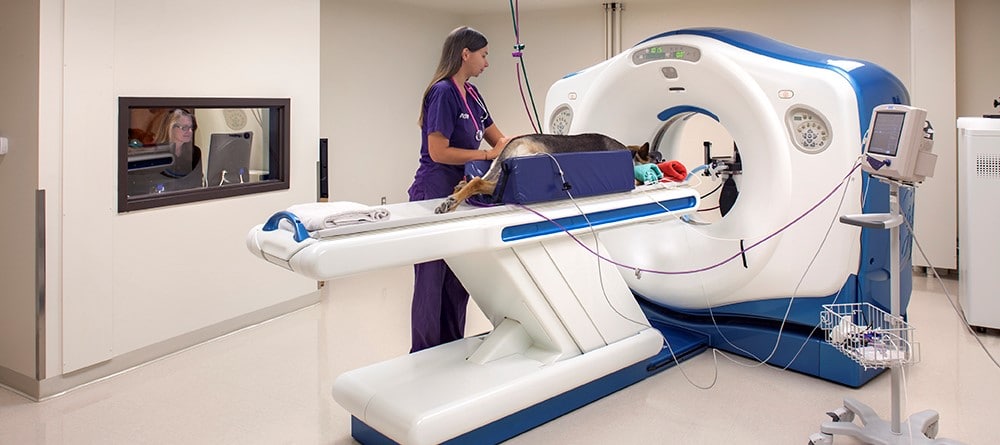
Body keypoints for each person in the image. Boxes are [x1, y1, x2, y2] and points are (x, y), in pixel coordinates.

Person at [407, 26, 510, 353]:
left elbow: (500, 141)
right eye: (484, 55)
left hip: (461, 192)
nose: (487, 63)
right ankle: (423, 354)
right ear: (465, 53)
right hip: (433, 190)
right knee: (431, 280)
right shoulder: (442, 92)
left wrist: (530, 147)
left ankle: (449, 350)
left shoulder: (474, 95)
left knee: (458, 279)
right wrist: (484, 155)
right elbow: (439, 151)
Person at [152, 108, 204, 184]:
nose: (190, 131)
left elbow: (197, 182)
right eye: (185, 128)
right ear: (170, 128)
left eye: (191, 127)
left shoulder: (195, 153)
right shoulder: (155, 155)